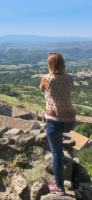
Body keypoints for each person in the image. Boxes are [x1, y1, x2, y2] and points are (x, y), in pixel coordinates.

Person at [39, 52, 76, 196]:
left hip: (54, 121)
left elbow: (42, 89)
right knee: (58, 144)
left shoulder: (46, 78)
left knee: (54, 153)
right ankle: (62, 155)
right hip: (70, 121)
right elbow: (70, 89)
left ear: (50, 65)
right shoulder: (69, 78)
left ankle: (59, 187)